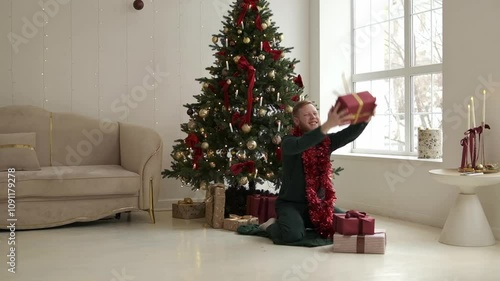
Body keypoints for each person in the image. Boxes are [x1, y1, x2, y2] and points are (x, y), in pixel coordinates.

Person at [259, 100, 374, 243]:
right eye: (307, 115)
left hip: (318, 205)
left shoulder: (326, 142)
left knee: (348, 224)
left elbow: (347, 135)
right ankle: (271, 225)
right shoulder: (289, 141)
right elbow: (302, 144)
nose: (313, 117)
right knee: (292, 235)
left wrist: (364, 120)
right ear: (297, 121)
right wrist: (328, 125)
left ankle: (306, 224)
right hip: (290, 205)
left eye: (315, 113)